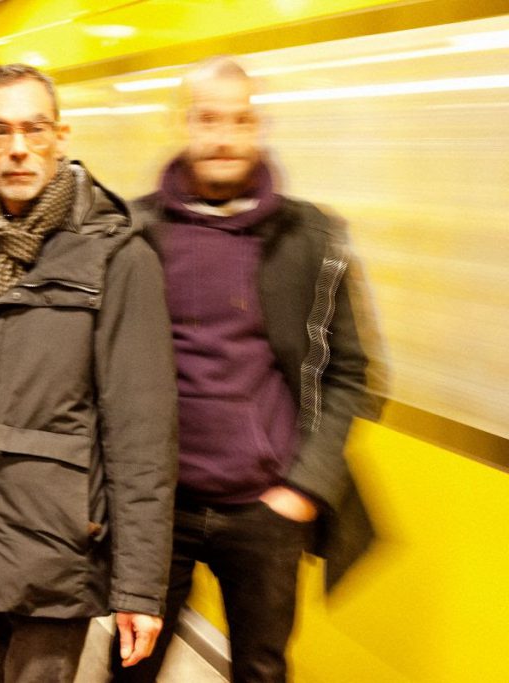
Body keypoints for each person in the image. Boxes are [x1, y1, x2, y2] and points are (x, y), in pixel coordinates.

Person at [0, 64, 178, 683]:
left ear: (61, 136)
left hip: (58, 549)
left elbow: (141, 434)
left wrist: (138, 586)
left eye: (35, 129)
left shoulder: (118, 256)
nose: (19, 147)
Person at [113, 56, 384, 682]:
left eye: (240, 121)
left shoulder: (310, 236)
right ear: (184, 123)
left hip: (264, 511)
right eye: (209, 119)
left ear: (259, 128)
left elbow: (351, 371)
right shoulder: (134, 231)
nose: (224, 137)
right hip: (160, 508)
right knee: (130, 668)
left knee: (261, 670)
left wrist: (305, 487)